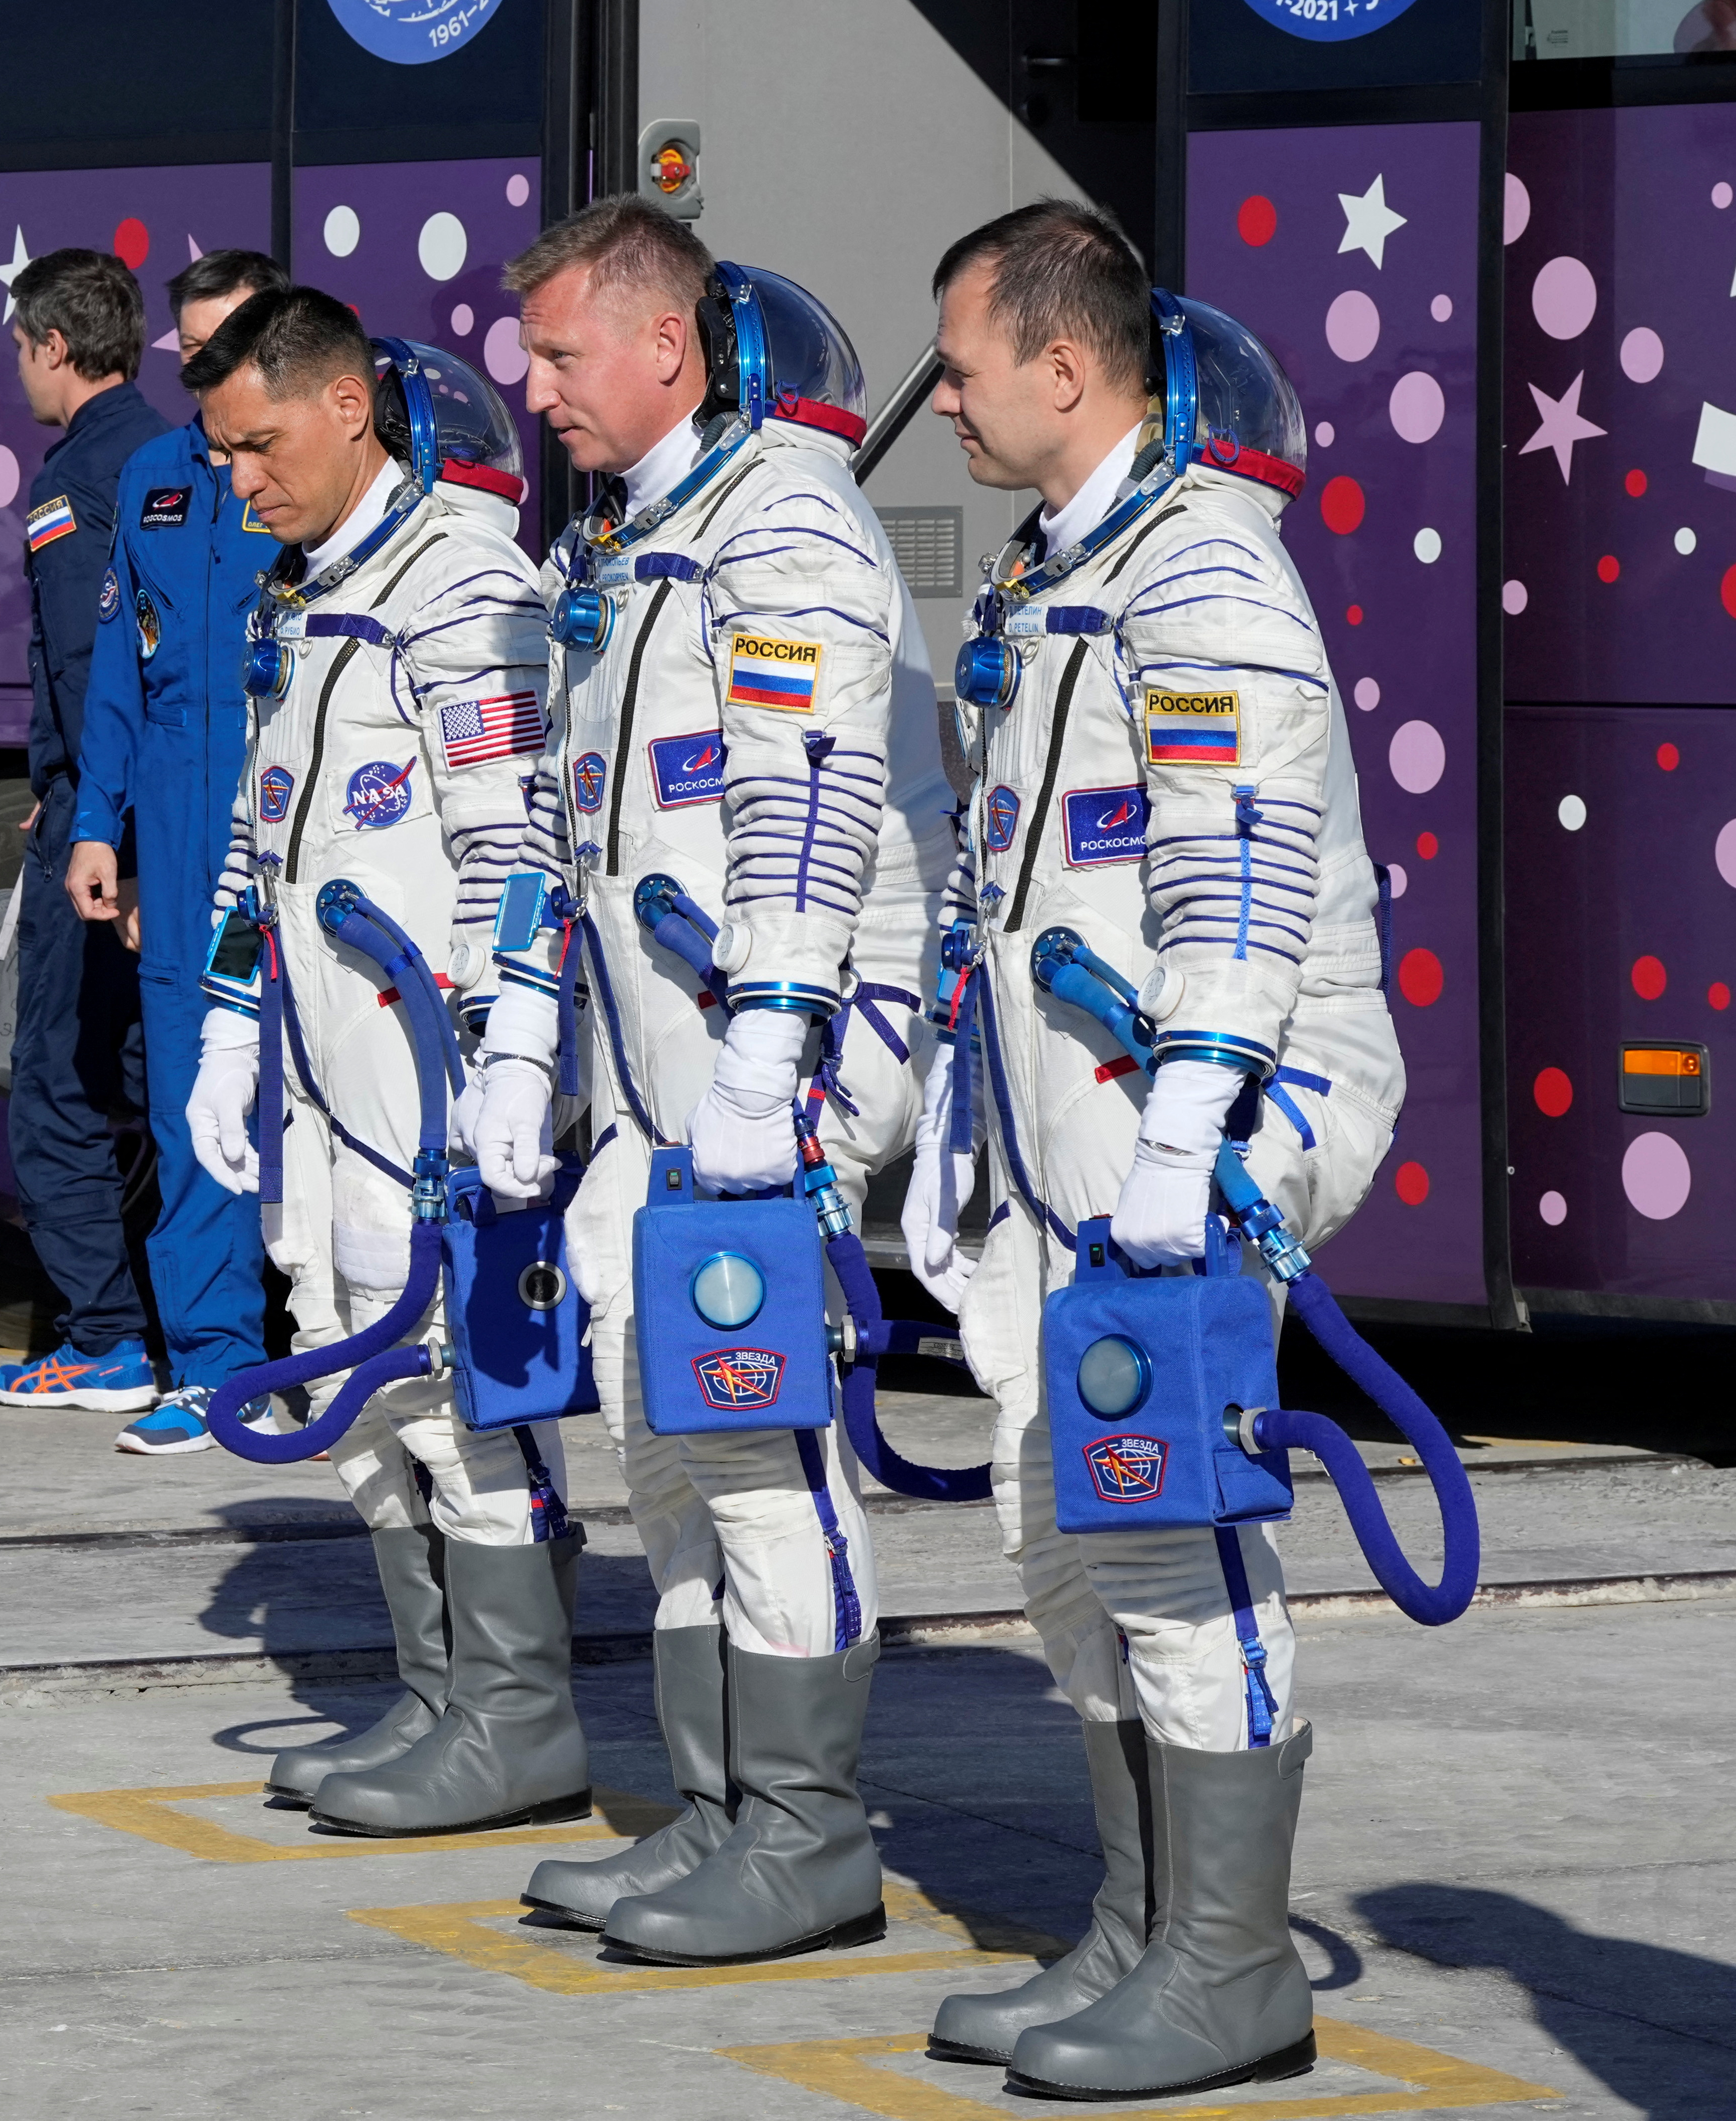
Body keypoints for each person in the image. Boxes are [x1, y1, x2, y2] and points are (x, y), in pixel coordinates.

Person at [904, 204, 1401, 2098]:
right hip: (1072, 1116)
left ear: (1064, 363)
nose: (938, 393)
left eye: (960, 361)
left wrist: (1191, 1127)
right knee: (1062, 1533)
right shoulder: (1066, 564)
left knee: (1169, 1531)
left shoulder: (1203, 569)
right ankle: (1135, 1923)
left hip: (1206, 1105)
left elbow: (1241, 874)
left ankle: (1231, 1960)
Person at [474, 201, 951, 1965]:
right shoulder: (621, 545)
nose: (536, 391)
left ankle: (809, 1835)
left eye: (560, 353)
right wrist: (528, 1028)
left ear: (665, 347)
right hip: (662, 1065)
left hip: (790, 1048)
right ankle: (717, 1811)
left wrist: (770, 1064)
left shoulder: (785, 531)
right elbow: (556, 820)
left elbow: (812, 813)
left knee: (754, 1446)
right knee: (658, 1433)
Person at [181, 289, 585, 1838]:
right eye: (222, 455)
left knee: (452, 1388)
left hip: (435, 1071)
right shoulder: (301, 596)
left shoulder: (463, 582)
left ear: (348, 406)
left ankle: (514, 1711)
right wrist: (229, 1021)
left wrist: (512, 1053)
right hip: (325, 1070)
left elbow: (514, 843)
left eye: (259, 443)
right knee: (351, 1361)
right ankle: (438, 1696)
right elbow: (251, 830)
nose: (241, 481)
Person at [61, 248, 288, 1454]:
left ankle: (371, 1343)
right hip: (187, 832)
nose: (206, 370)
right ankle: (215, 1366)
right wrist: (101, 825)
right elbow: (118, 670)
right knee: (195, 1102)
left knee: (338, 1095)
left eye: (230, 345)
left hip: (307, 822)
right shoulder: (154, 473)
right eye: (191, 350)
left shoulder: (326, 467)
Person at [0, 247, 171, 1412]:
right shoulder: (173, 451)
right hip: (172, 802)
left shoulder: (75, 481)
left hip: (99, 815)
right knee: (163, 1072)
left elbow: (85, 656)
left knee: (52, 1079)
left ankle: (103, 1336)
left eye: (19, 349)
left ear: (54, 345)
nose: (19, 372)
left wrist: (72, 796)